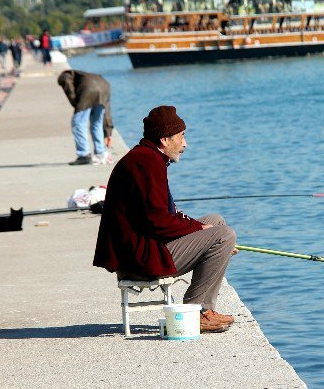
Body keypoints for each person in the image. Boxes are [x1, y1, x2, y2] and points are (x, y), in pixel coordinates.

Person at [93, 105, 238, 333]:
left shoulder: (148, 158)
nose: (185, 144)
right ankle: (196, 312)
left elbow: (163, 214)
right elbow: (158, 221)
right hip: (138, 259)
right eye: (181, 137)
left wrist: (202, 228)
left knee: (217, 221)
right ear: (164, 139)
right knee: (224, 235)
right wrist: (202, 231)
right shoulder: (146, 163)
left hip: (143, 246)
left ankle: (204, 310)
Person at [57, 70, 113, 165]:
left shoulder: (65, 75)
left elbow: (65, 81)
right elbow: (106, 111)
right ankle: (100, 152)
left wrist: (75, 102)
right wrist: (108, 132)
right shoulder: (90, 75)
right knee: (97, 123)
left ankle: (84, 155)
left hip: (88, 90)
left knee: (78, 123)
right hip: (104, 87)